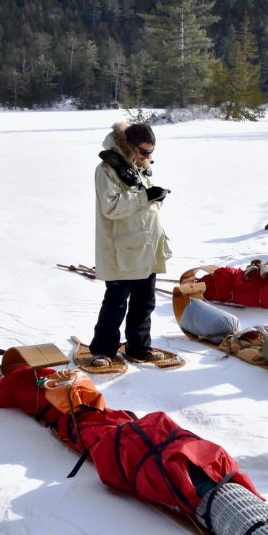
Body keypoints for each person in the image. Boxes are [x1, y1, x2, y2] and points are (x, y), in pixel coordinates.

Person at [89, 121, 172, 365]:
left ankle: (138, 346)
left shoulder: (140, 167)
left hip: (147, 245)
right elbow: (111, 206)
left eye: (151, 152)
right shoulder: (107, 169)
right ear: (128, 145)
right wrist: (145, 196)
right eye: (144, 151)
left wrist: (156, 196)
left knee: (145, 302)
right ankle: (103, 350)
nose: (148, 156)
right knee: (116, 302)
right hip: (121, 249)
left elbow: (142, 203)